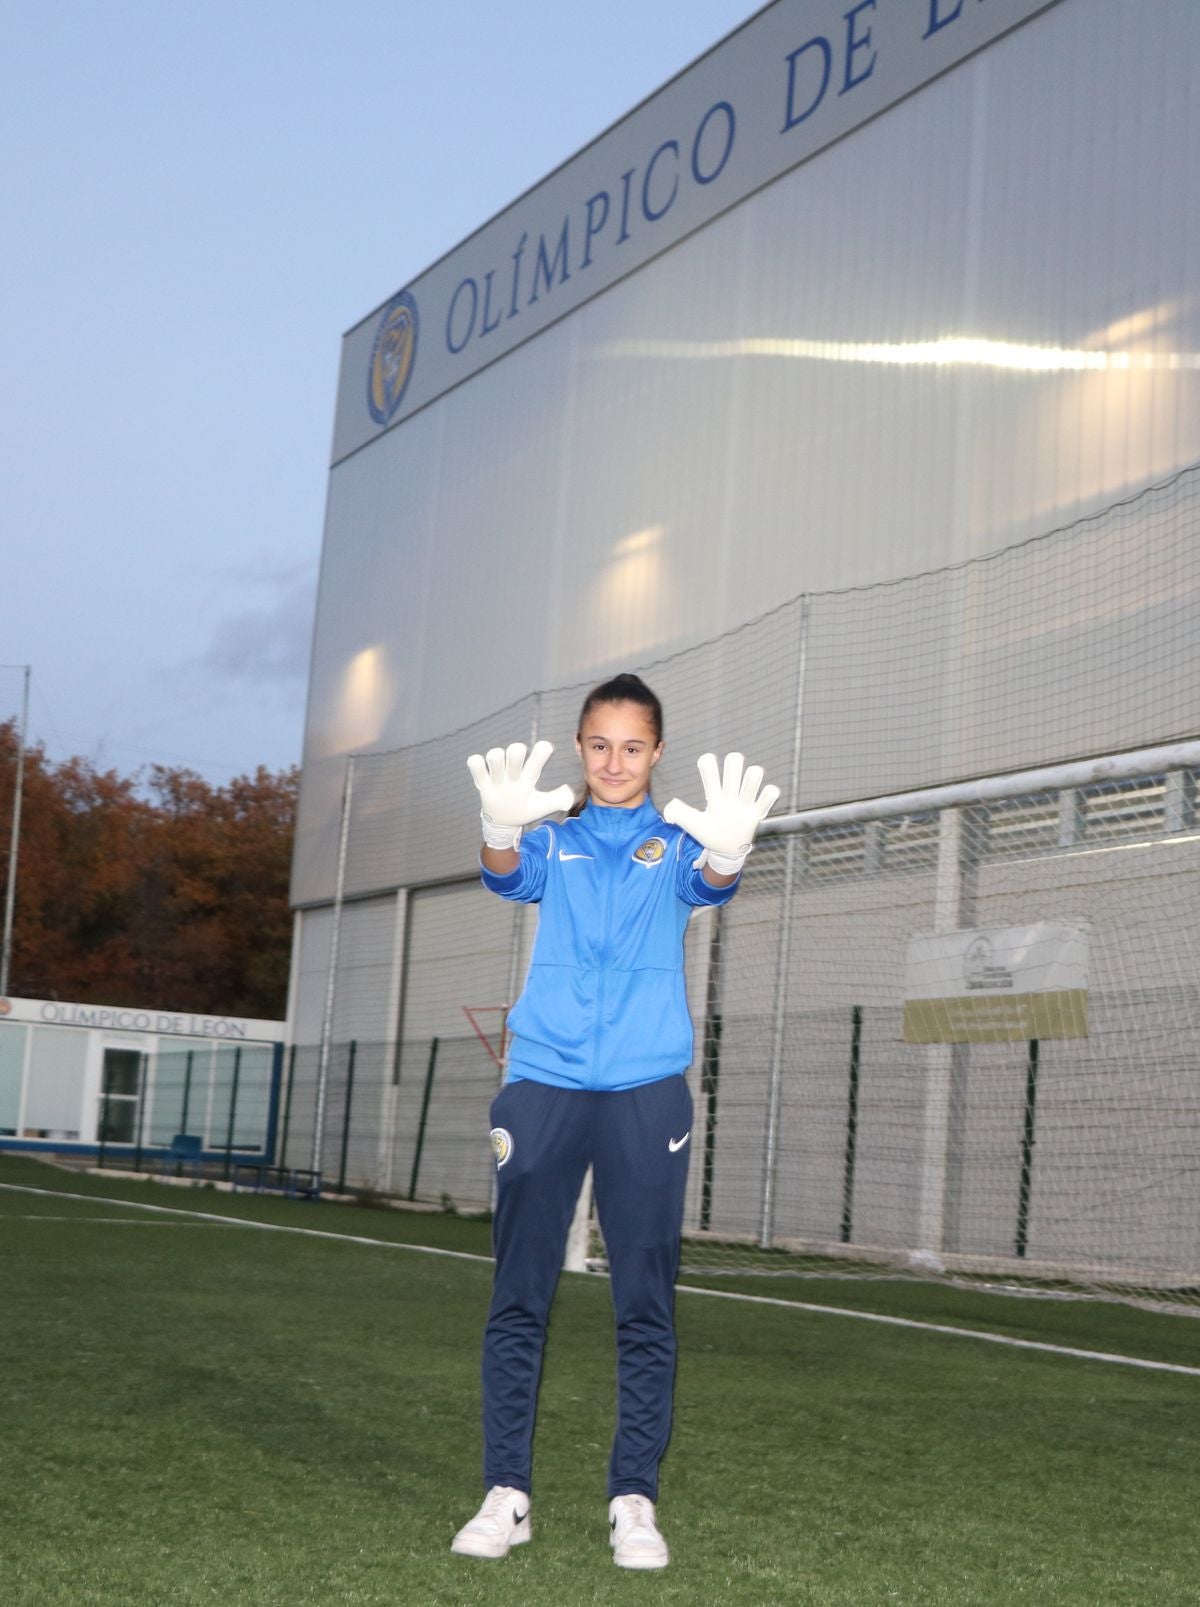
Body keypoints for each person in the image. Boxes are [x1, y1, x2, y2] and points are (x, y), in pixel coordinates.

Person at [451, 673, 778, 1570]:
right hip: (543, 1081)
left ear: (658, 751)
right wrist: (497, 826)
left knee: (644, 1302)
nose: (615, 762)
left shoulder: (677, 843)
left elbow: (710, 884)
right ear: (580, 746)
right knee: (519, 1296)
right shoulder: (550, 840)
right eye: (599, 744)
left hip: (645, 1091)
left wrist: (730, 851)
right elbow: (504, 875)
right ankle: (505, 1492)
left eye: (633, 747)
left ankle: (634, 1498)